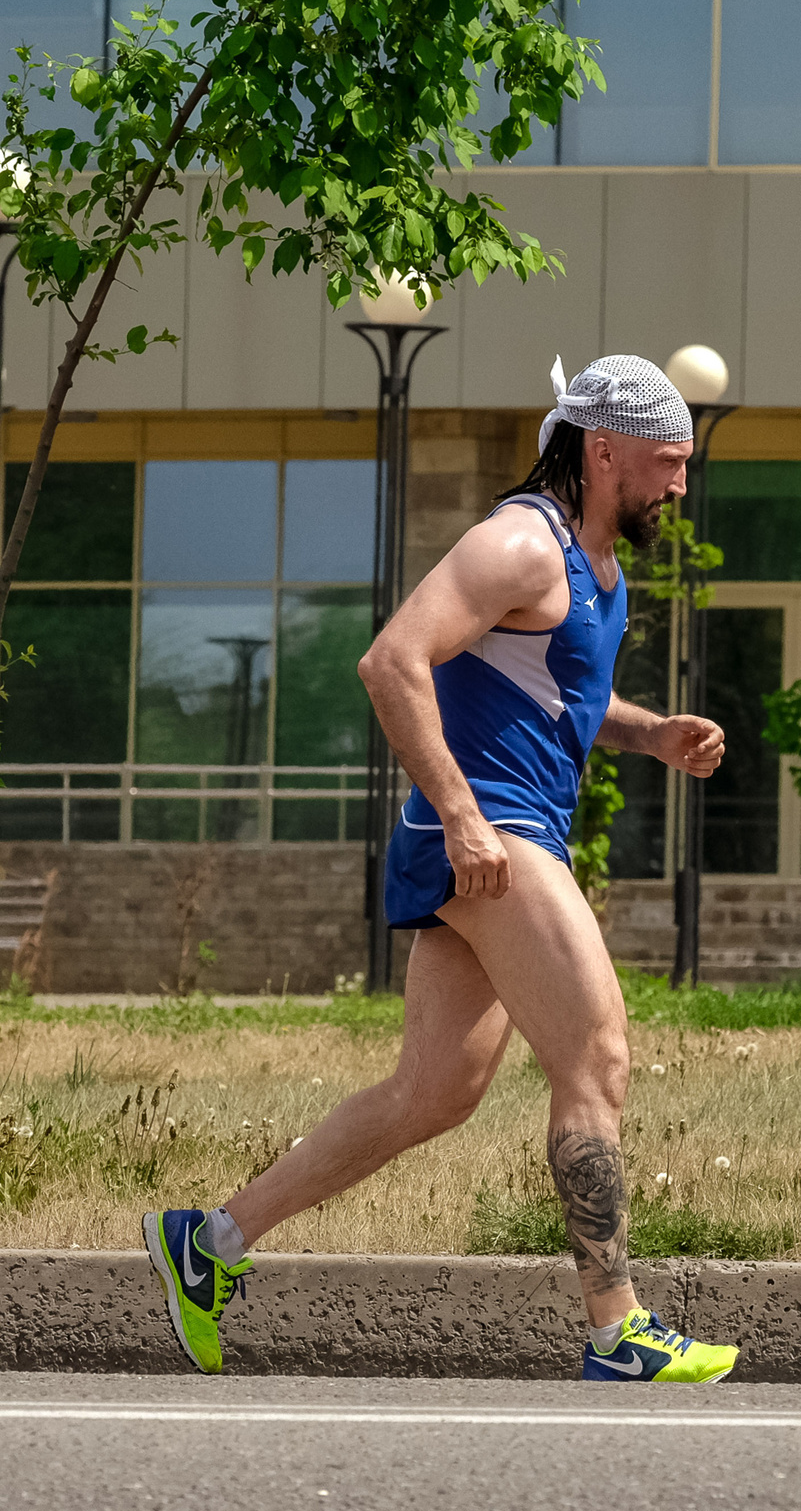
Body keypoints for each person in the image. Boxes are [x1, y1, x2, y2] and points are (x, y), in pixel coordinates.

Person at [146, 355, 738, 1382]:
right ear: (602, 450)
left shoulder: (597, 567)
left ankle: (207, 1246)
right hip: (491, 836)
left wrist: (650, 736)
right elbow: (391, 660)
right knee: (595, 1058)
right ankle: (617, 1329)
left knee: (432, 1095)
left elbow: (556, 701)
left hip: (500, 837)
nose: (679, 484)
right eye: (667, 461)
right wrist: (464, 816)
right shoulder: (518, 543)